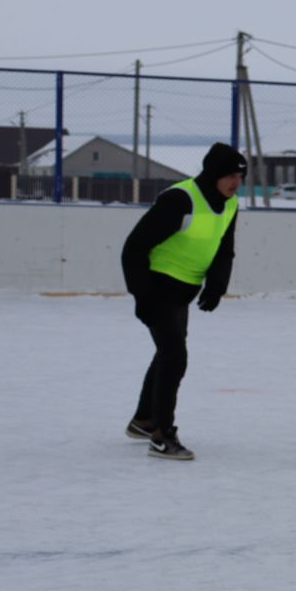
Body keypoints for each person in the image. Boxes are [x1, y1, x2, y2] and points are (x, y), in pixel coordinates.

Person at [120, 143, 245, 460]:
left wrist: (216, 286)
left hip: (182, 293)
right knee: (175, 356)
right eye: (230, 175)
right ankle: (162, 436)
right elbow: (133, 248)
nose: (236, 183)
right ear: (214, 174)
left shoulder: (230, 205)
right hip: (157, 288)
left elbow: (223, 249)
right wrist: (141, 296)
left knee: (168, 353)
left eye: (240, 176)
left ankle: (144, 420)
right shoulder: (180, 199)